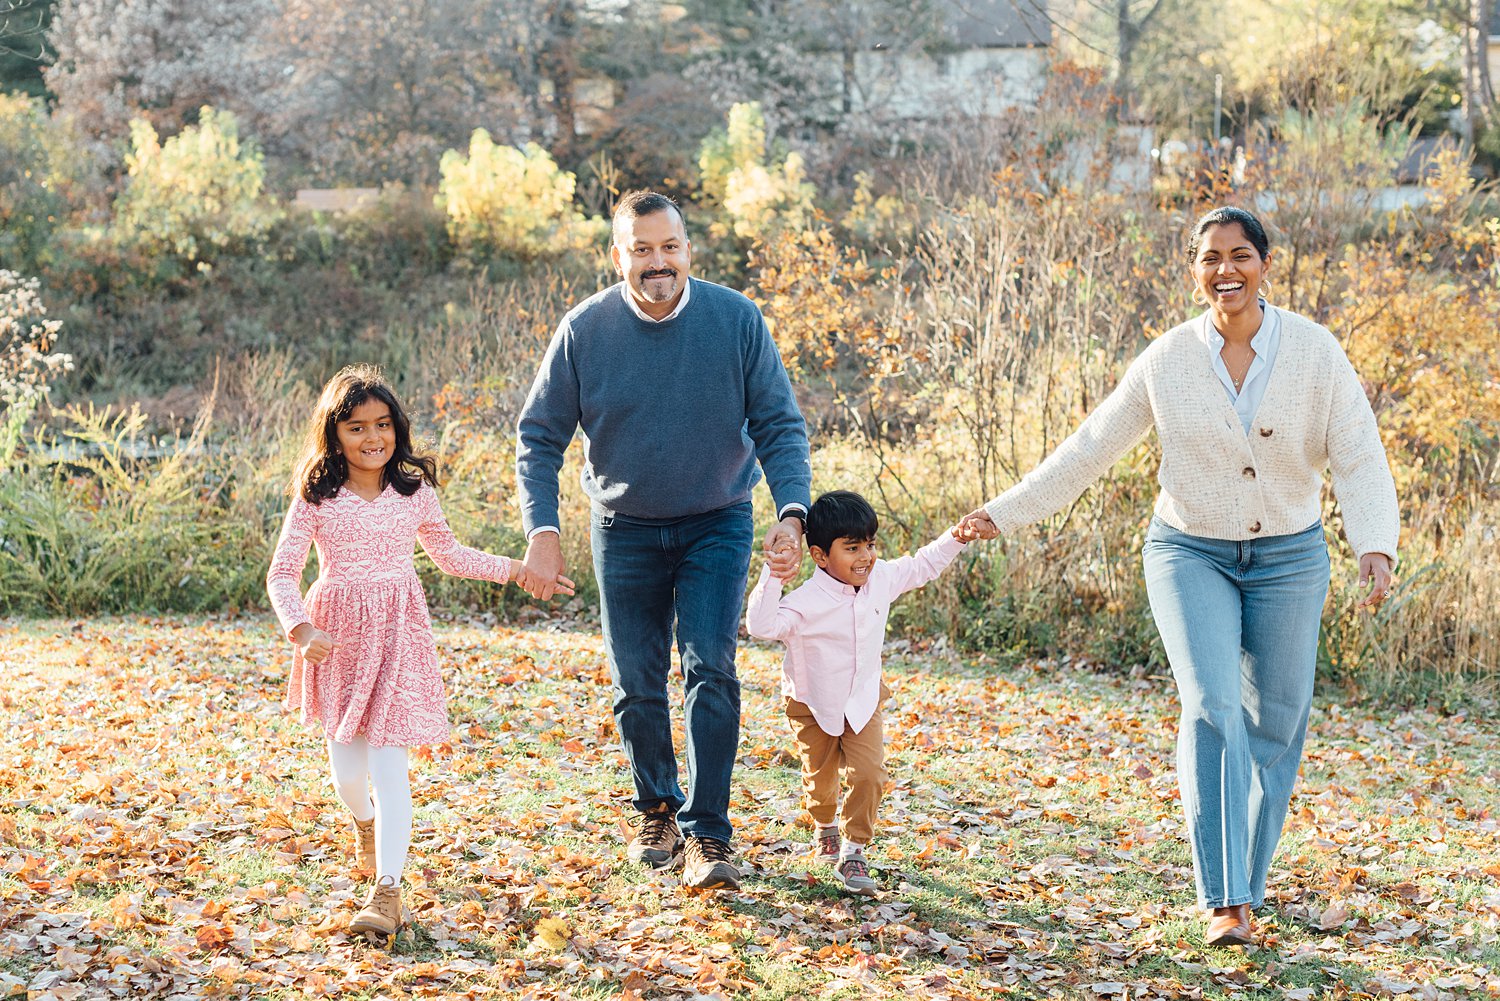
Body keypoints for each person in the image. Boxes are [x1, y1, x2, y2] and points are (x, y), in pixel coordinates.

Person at [960, 206, 1399, 947]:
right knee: (1210, 705)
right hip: (1189, 550)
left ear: (1264, 264)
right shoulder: (1166, 359)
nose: (1225, 270)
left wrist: (1375, 543)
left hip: (1291, 556)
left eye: (1240, 255)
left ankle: (1248, 881)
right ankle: (1225, 899)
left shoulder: (1316, 353)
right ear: (1194, 271)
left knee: (1277, 725)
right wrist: (1003, 512)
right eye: (1209, 259)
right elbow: (1088, 448)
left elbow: (1358, 450)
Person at [515, 190, 811, 891]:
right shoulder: (585, 330)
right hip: (623, 528)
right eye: (641, 249)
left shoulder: (736, 320)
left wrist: (792, 513)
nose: (657, 262)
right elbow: (538, 437)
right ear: (618, 255)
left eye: (669, 247)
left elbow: (779, 423)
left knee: (711, 664)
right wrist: (543, 531)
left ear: (688, 250)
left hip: (718, 519)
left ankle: (709, 834)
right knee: (636, 682)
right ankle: (657, 808)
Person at [266, 365, 573, 944]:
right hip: (336, 639)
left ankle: (387, 889)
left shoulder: (412, 490)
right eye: (357, 427)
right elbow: (282, 574)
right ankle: (364, 824)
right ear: (334, 433)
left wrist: (518, 569)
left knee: (389, 768)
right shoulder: (317, 494)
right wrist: (302, 630)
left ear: (397, 428)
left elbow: (450, 554)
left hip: (399, 635)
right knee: (348, 775)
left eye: (383, 424)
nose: (372, 437)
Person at [746, 490, 978, 895]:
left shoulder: (881, 579)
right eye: (851, 548)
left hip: (863, 699)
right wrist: (775, 577)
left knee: (870, 775)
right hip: (811, 702)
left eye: (869, 544)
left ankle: (853, 852)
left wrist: (957, 536)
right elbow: (762, 626)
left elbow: (923, 565)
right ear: (820, 556)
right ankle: (825, 825)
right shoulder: (804, 603)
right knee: (821, 782)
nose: (865, 556)